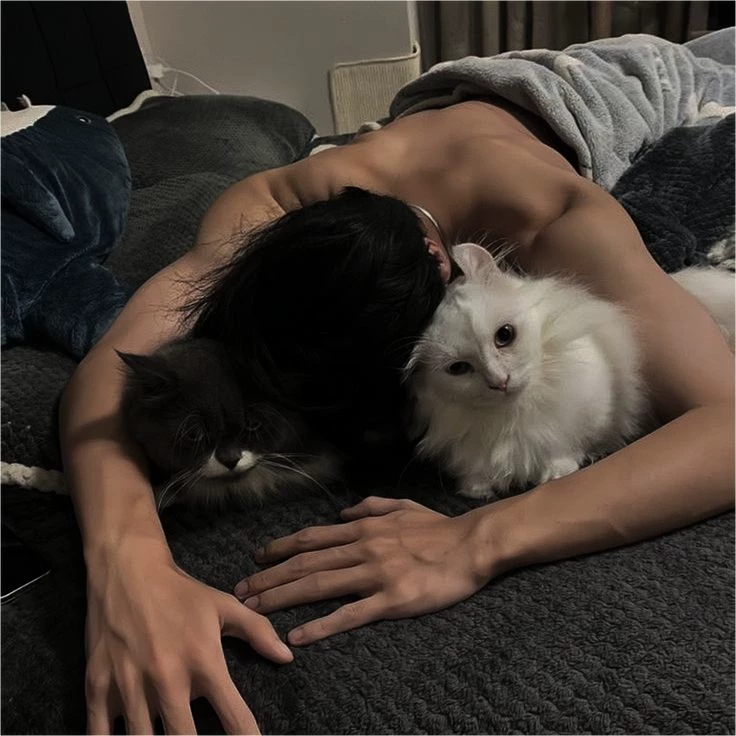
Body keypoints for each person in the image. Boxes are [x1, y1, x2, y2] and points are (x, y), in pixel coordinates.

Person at [60, 34, 735, 736]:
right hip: (435, 106)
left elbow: (726, 430)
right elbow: (104, 377)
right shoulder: (264, 209)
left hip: (590, 86)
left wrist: (477, 542)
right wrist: (127, 567)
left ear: (446, 269)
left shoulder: (558, 221)